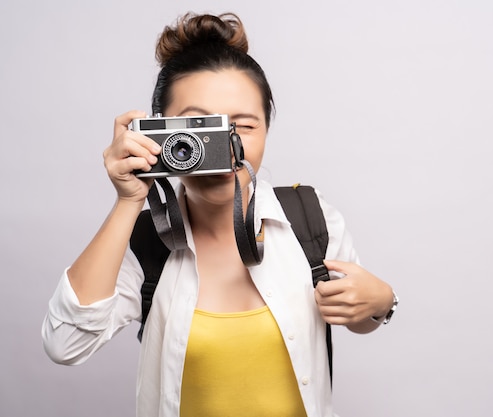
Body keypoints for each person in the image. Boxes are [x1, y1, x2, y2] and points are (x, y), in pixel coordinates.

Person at [42, 11, 397, 417]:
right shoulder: (145, 243)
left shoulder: (310, 218)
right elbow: (65, 344)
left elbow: (356, 315)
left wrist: (382, 302)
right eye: (199, 128)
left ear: (266, 131)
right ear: (156, 132)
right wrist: (128, 201)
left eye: (242, 127)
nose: (222, 148)